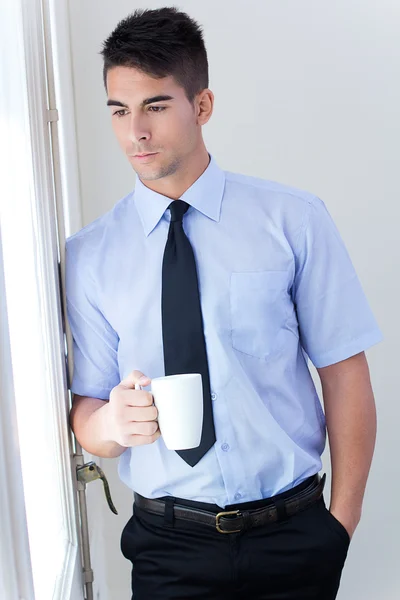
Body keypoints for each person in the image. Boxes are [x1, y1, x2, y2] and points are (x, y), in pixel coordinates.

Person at [66, 7, 383, 600]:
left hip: (294, 535)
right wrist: (108, 423)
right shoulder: (89, 255)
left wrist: (340, 525)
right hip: (168, 547)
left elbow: (345, 375)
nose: (135, 130)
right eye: (118, 109)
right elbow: (87, 412)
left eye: (155, 106)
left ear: (202, 106)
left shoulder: (294, 220)